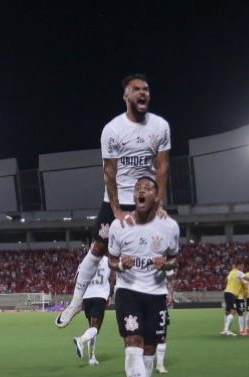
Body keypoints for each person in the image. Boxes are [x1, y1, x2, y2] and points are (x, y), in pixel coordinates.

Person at [55, 73, 171, 329]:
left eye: (146, 88)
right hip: (116, 200)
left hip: (145, 200)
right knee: (97, 247)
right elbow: (109, 171)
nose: (143, 92)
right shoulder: (113, 130)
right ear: (126, 96)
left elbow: (162, 166)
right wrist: (116, 208)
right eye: (136, 89)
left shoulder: (160, 126)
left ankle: (160, 301)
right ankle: (76, 301)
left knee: (153, 250)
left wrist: (159, 202)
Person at [108, 176, 179, 377]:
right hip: (128, 292)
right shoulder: (120, 226)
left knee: (148, 352)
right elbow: (111, 261)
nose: (140, 191)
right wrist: (119, 265)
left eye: (147, 188)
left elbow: (174, 259)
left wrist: (166, 264)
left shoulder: (169, 227)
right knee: (133, 345)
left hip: (156, 294)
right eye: (137, 188)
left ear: (156, 196)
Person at [72, 263, 114, 366]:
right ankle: (80, 340)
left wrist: (79, 298)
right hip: (99, 296)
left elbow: (77, 280)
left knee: (91, 328)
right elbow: (113, 279)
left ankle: (92, 357)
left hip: (87, 297)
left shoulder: (85, 261)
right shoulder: (108, 261)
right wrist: (110, 295)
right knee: (95, 329)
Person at [156, 268, 176, 374]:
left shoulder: (162, 257)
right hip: (141, 299)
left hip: (159, 299)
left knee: (161, 333)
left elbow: (171, 278)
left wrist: (170, 293)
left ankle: (160, 364)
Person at [220, 261, 247, 336]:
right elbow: (227, 280)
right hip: (233, 294)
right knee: (230, 311)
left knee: (240, 312)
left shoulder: (240, 274)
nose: (242, 268)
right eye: (241, 266)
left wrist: (245, 290)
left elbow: (245, 284)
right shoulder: (233, 273)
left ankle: (241, 330)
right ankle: (227, 329)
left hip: (239, 296)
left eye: (243, 266)